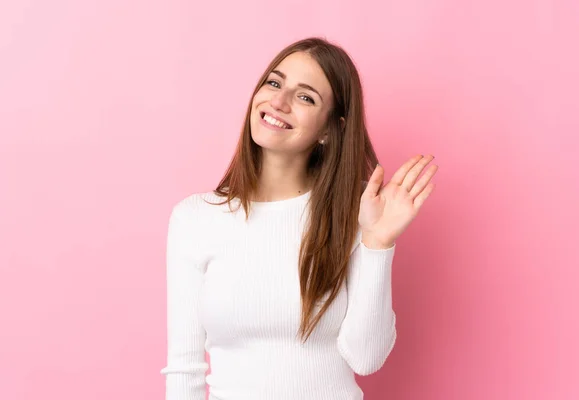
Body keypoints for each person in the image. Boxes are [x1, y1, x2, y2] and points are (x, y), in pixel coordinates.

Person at [160, 37, 438, 400]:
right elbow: (185, 368)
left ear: (329, 130)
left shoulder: (356, 213)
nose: (278, 101)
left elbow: (366, 358)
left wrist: (377, 242)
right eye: (274, 83)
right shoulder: (195, 219)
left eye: (305, 97)